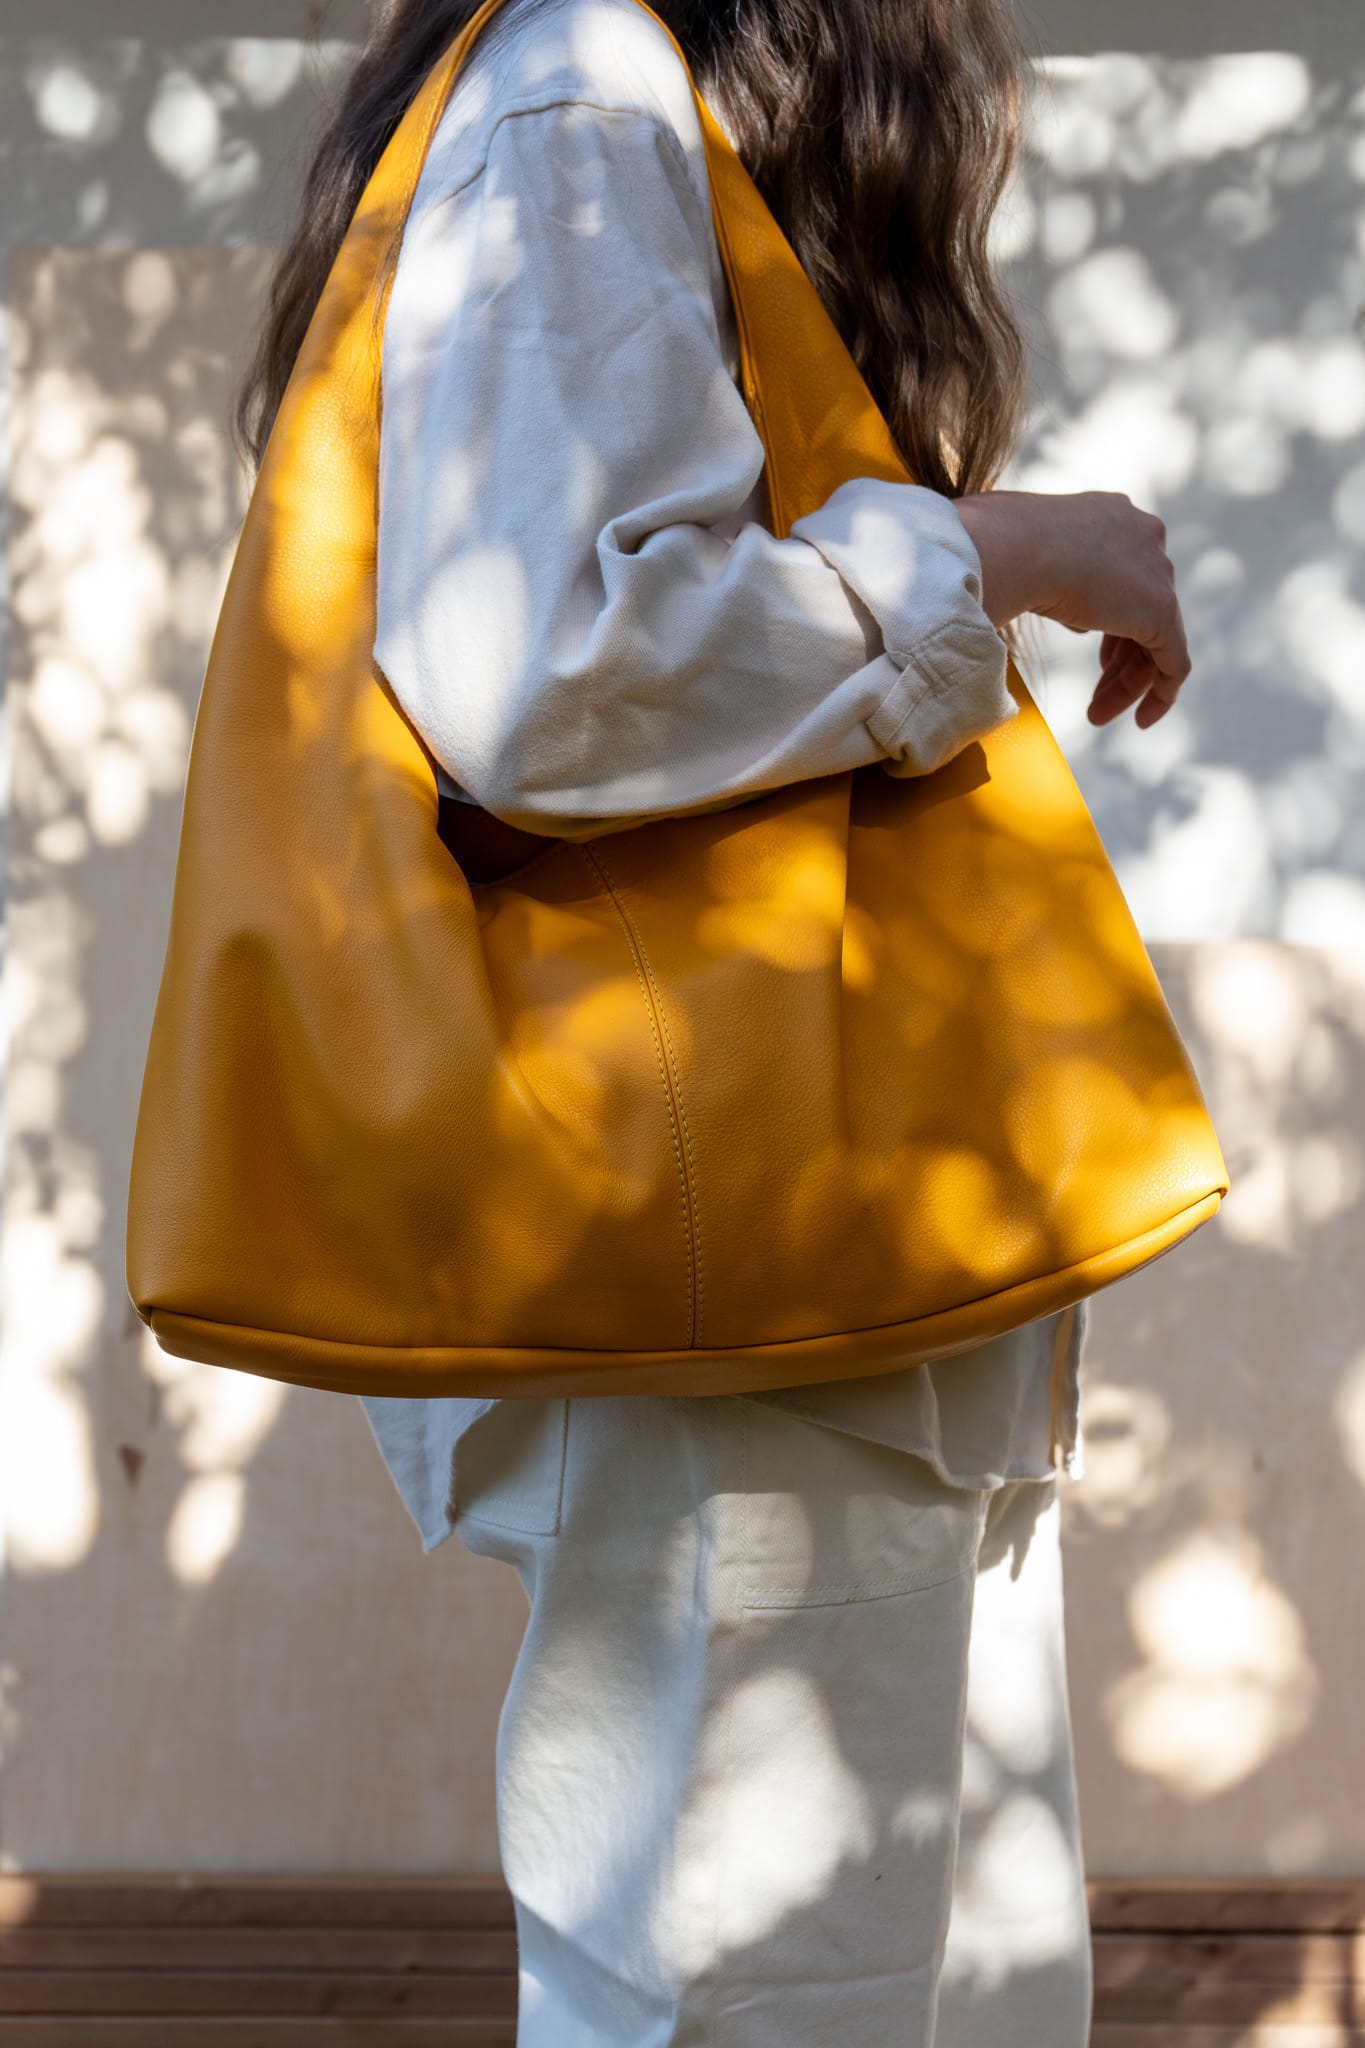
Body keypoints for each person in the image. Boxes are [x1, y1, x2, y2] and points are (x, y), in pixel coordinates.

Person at [233, 1, 1191, 2041]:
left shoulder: (614, 93)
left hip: (828, 1298)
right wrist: (1000, 549)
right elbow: (544, 662)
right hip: (750, 1321)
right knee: (756, 1988)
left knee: (894, 1984)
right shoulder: (583, 76)